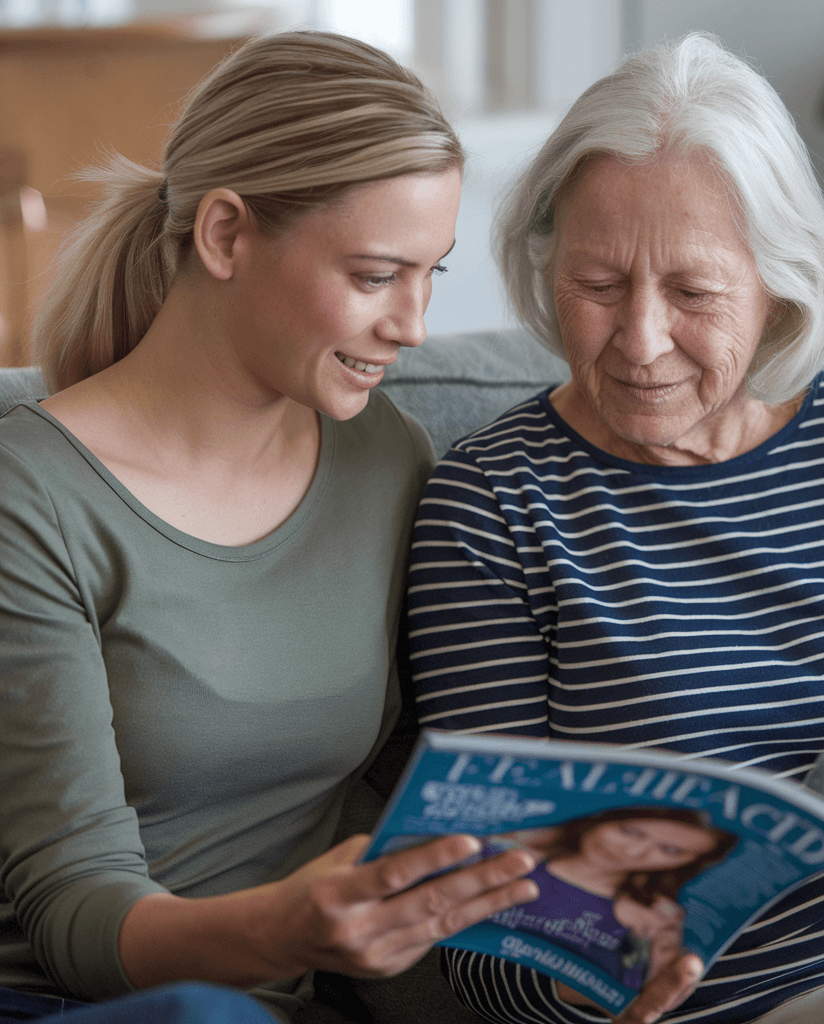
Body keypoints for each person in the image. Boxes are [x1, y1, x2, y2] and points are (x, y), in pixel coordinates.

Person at [405, 31, 824, 1024]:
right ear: (546, 263)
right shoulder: (496, 503)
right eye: (598, 287)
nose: (641, 341)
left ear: (779, 282)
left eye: (691, 293)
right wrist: (598, 974)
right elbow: (480, 937)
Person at [0, 29, 539, 1024]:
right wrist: (284, 928)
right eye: (377, 275)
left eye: (434, 275)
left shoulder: (390, 461)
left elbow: (444, 784)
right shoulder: (28, 499)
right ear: (224, 235)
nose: (413, 325)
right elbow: (73, 910)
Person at [486, 810, 736, 994]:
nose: (632, 853)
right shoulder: (506, 856)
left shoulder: (654, 916)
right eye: (629, 831)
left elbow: (645, 992)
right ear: (600, 815)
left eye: (671, 851)